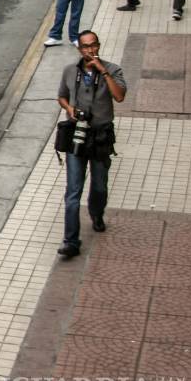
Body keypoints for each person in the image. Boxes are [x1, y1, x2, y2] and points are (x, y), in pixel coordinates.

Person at [56, 31, 126, 259]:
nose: (90, 50)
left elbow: (120, 96)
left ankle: (96, 213)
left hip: (100, 136)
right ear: (79, 50)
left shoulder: (113, 69)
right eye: (85, 47)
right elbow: (62, 96)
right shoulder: (70, 71)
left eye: (93, 45)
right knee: (73, 191)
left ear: (98, 45)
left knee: (99, 185)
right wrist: (69, 110)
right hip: (77, 134)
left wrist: (103, 71)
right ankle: (71, 241)